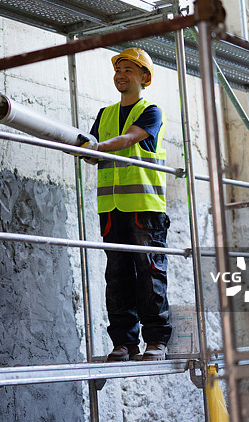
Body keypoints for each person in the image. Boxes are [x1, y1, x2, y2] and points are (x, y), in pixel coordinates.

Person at [87, 48, 172, 362]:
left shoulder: (151, 111)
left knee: (149, 273)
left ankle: (156, 341)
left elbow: (127, 139)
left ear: (144, 78)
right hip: (111, 209)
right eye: (118, 69)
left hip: (143, 206)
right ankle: (123, 342)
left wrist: (94, 145)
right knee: (118, 275)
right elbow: (94, 152)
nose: (120, 75)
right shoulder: (105, 114)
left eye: (128, 70)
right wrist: (81, 146)